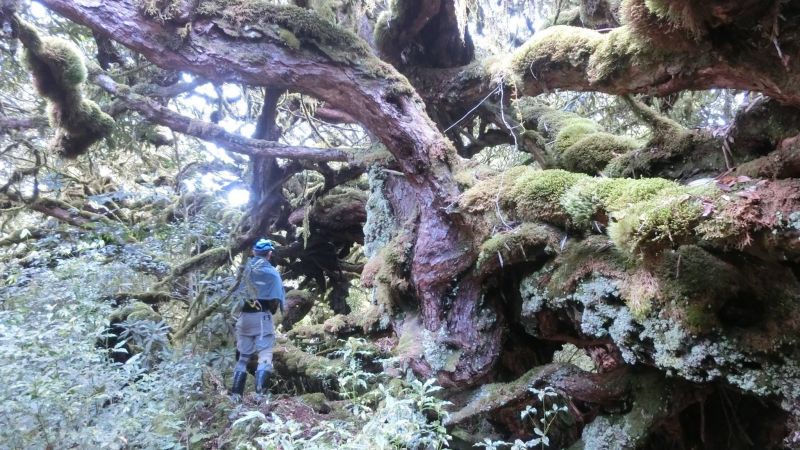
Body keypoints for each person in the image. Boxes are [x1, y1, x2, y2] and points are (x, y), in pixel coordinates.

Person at [230, 238, 285, 399]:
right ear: (269, 254)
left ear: (254, 252)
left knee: (242, 357)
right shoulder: (273, 273)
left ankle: (236, 396)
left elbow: (235, 296)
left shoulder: (244, 271)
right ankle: (260, 396)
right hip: (263, 318)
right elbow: (276, 301)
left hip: (244, 318)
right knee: (265, 355)